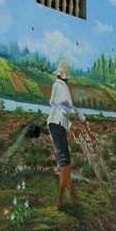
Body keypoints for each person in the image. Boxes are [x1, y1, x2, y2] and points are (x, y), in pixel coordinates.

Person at [47, 59, 88, 208]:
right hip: (58, 124)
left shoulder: (55, 86)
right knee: (65, 162)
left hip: (54, 123)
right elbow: (70, 109)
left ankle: (72, 197)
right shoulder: (63, 87)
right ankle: (59, 200)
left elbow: (59, 110)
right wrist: (78, 125)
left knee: (66, 161)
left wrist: (71, 127)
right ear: (66, 76)